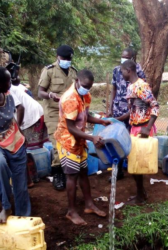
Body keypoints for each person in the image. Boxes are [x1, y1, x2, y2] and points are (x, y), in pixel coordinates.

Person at [54, 69, 110, 225]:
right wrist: (92, 137)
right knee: (72, 175)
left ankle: (89, 204)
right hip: (68, 141)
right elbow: (71, 127)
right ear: (77, 81)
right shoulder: (69, 98)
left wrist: (101, 121)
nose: (88, 89)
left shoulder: (85, 95)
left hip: (80, 141)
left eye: (90, 86)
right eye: (85, 86)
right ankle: (71, 211)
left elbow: (85, 116)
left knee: (84, 171)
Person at [38, 45, 77, 191]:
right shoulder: (49, 71)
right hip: (53, 112)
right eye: (64, 58)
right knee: (57, 143)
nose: (67, 61)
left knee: (70, 142)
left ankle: (69, 173)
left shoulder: (73, 72)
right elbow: (40, 92)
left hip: (69, 113)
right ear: (58, 57)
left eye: (69, 59)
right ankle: (57, 174)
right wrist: (50, 95)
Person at [120, 60, 159, 205]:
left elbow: (155, 107)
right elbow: (134, 111)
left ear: (129, 70)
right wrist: (115, 119)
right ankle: (141, 193)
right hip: (135, 127)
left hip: (143, 129)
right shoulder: (131, 86)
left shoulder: (142, 86)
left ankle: (140, 196)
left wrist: (147, 128)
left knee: (138, 164)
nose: (121, 74)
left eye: (122, 71)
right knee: (134, 162)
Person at [109, 47, 146, 180]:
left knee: (130, 139)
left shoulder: (139, 71)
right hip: (118, 109)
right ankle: (117, 170)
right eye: (122, 56)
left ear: (132, 59)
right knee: (116, 139)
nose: (123, 59)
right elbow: (113, 89)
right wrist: (110, 108)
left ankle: (132, 168)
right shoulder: (116, 70)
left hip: (132, 113)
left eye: (126, 57)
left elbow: (142, 95)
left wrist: (130, 112)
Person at [0, 67, 31, 223]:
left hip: (14, 139)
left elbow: (21, 107)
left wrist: (18, 127)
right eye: (7, 81)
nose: (10, 83)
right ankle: (6, 206)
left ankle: (23, 216)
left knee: (20, 183)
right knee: (1, 165)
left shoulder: (8, 94)